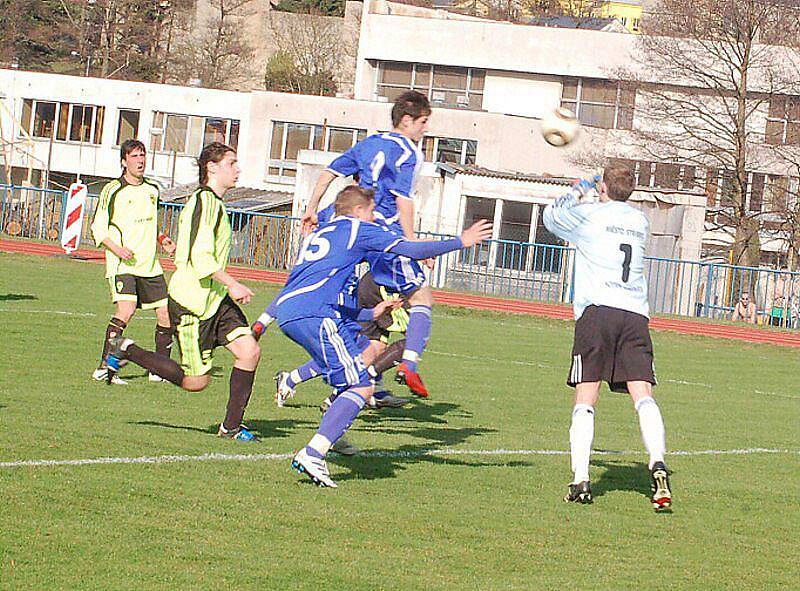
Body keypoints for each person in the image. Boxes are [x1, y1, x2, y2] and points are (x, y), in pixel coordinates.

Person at [274, 185, 491, 487]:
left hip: (289, 310)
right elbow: (410, 249)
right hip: (315, 314)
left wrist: (368, 315)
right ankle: (314, 452)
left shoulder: (323, 231)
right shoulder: (357, 229)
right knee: (362, 386)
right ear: (360, 211)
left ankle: (332, 435)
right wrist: (460, 241)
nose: (375, 216)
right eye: (372, 211)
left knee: (352, 375)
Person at [106, 143, 261, 442]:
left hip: (214, 300)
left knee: (249, 351)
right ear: (212, 168)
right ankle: (127, 349)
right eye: (232, 163)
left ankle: (230, 427)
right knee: (195, 381)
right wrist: (233, 283)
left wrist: (225, 288)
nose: (238, 169)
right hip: (192, 304)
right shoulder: (204, 202)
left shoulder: (215, 202)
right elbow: (199, 258)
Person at [543, 165, 672, 511]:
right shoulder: (640, 222)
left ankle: (581, 479)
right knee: (642, 393)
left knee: (587, 395)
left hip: (597, 312)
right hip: (635, 314)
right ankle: (658, 462)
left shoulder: (590, 215)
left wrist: (576, 189)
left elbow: (551, 218)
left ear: (602, 186)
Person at [299, 90, 436, 398]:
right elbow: (403, 199)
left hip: (350, 229)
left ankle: (354, 376)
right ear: (406, 120)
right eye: (423, 122)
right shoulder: (410, 152)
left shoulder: (369, 143)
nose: (425, 129)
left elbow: (328, 174)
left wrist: (311, 208)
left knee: (332, 294)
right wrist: (413, 244)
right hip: (382, 233)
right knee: (421, 298)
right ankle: (408, 365)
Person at [90, 139, 176, 385]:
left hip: (149, 265)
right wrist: (117, 249)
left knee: (165, 315)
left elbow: (150, 223)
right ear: (124, 161)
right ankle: (104, 367)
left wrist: (163, 239)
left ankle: (159, 370)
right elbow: (98, 226)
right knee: (125, 311)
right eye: (135, 156)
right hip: (123, 265)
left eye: (143, 155)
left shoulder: (152, 189)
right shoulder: (113, 190)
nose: (140, 160)